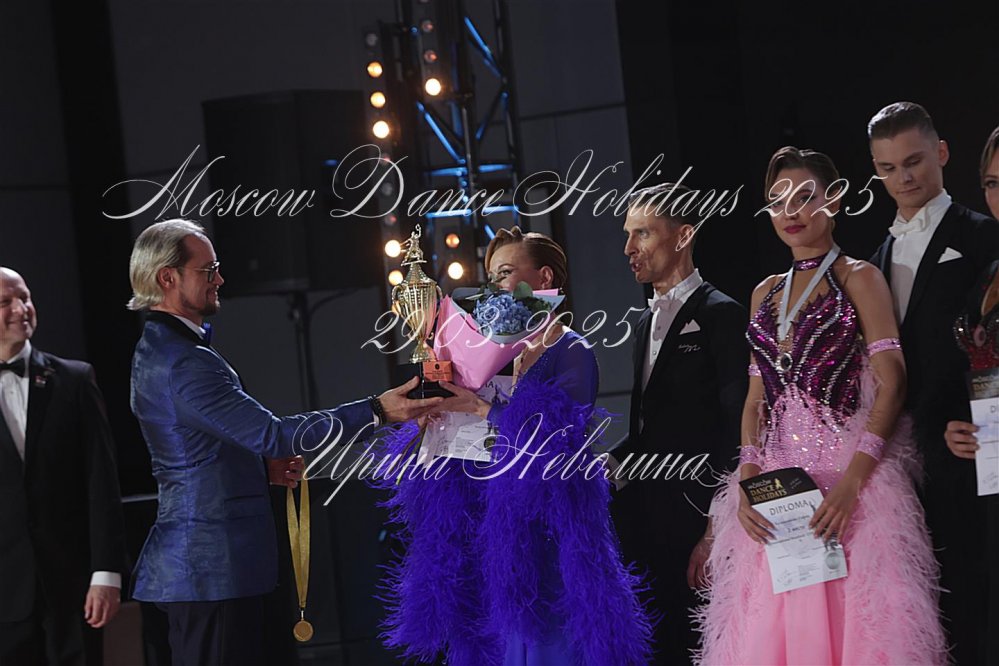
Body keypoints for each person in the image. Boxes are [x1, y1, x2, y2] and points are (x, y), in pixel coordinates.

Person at [126, 219, 441, 666]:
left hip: (208, 568)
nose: (220, 279)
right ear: (167, 278)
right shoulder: (183, 362)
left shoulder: (162, 349)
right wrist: (376, 410)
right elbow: (273, 434)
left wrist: (257, 469)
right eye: (209, 270)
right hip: (210, 569)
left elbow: (191, 449)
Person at [696, 147, 945, 664]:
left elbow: (893, 383)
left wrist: (852, 484)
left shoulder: (860, 277)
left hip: (848, 491)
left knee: (856, 636)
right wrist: (748, 480)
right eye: (777, 201)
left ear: (834, 200)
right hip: (781, 497)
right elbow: (755, 400)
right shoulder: (765, 292)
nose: (790, 212)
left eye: (805, 197)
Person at [379, 227, 652, 666]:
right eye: (491, 277)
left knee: (551, 643)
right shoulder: (494, 356)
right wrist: (437, 419)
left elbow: (557, 445)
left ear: (544, 278)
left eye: (505, 273)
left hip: (551, 527)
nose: (495, 286)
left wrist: (483, 410)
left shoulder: (571, 350)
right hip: (496, 531)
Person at [868, 102, 999, 664]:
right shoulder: (873, 260)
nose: (904, 178)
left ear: (941, 153)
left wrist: (973, 419)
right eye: (888, 168)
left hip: (969, 450)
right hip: (900, 464)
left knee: (975, 603)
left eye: (914, 161)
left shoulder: (984, 235)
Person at [610, 183, 747, 664]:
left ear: (684, 235)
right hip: (650, 521)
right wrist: (607, 465)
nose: (628, 248)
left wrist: (714, 531)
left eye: (642, 233)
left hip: (699, 522)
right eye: (627, 235)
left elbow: (738, 430)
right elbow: (650, 430)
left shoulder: (722, 314)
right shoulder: (642, 324)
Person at [0, 266, 126, 666]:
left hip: (72, 588)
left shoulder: (74, 379)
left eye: (25, 298)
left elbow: (101, 482)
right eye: (5, 302)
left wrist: (105, 573)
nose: (21, 309)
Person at [943, 125, 999, 665]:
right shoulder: (988, 273)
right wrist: (959, 425)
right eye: (992, 183)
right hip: (990, 471)